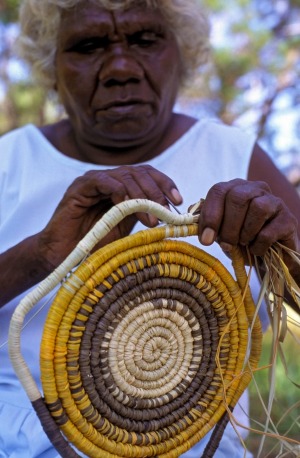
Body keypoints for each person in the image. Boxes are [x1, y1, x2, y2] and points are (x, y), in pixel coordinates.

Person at [0, 1, 299, 457]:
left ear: (183, 56)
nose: (121, 67)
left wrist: (285, 249)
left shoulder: (235, 153)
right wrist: (38, 255)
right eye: (89, 45)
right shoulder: (10, 162)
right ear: (51, 68)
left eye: (145, 40)